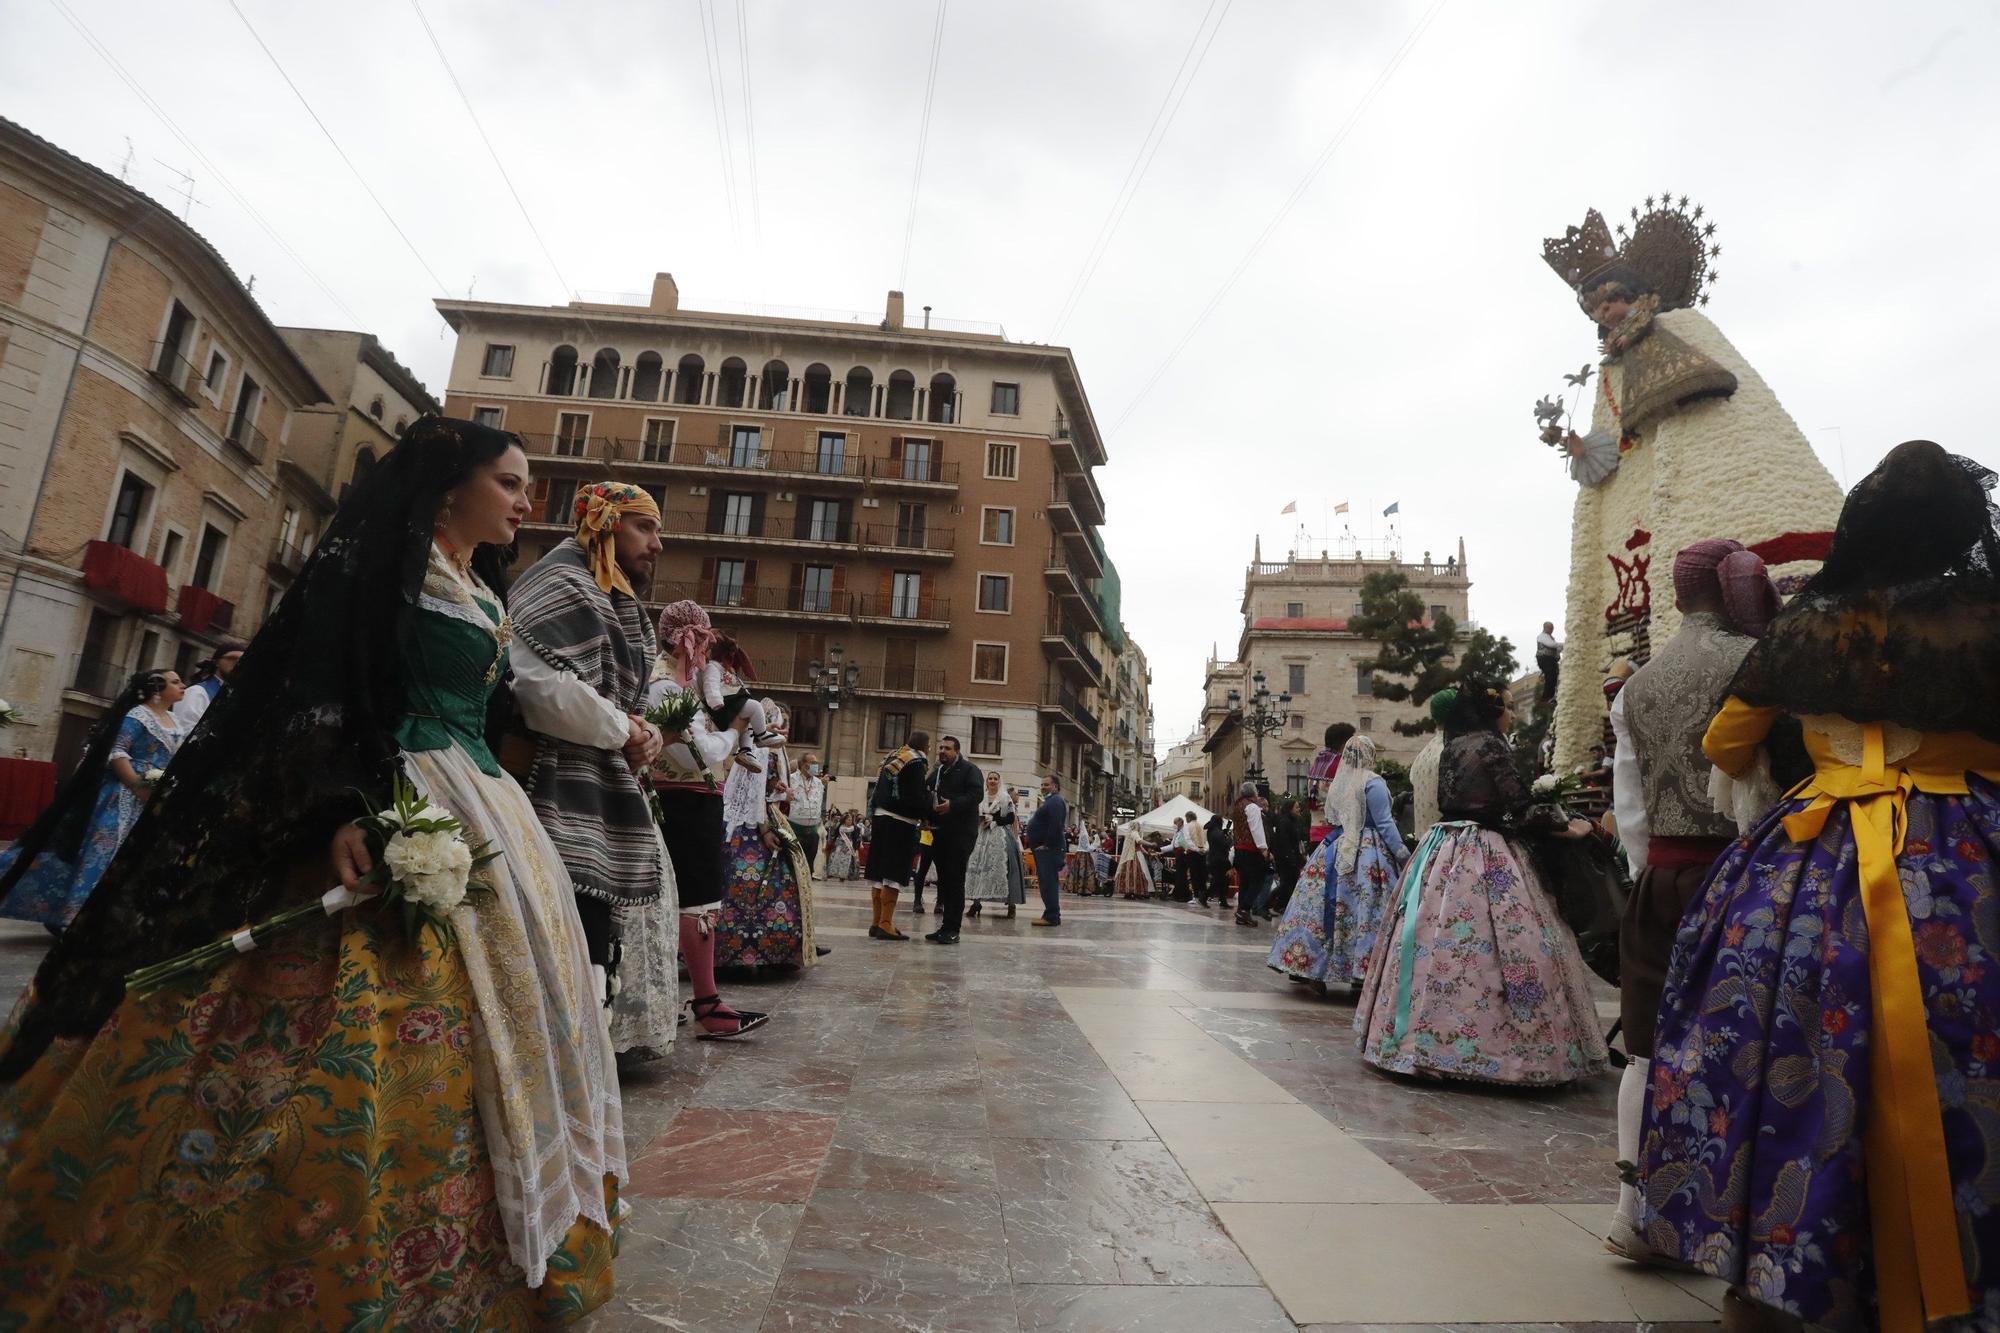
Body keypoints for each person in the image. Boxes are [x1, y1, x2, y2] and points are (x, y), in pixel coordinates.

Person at [0, 416, 624, 1327]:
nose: (529, 501)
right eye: (511, 481)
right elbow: (320, 684)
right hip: (396, 784)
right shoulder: (387, 571)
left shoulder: (483, 590)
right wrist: (341, 804)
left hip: (484, 800)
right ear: (451, 485)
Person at [1637, 442, 2000, 1333]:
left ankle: (1780, 1265)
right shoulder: (1991, 619)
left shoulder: (1807, 627)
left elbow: (1726, 741)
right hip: (1966, 858)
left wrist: (1823, 754)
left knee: (1774, 1047)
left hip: (1811, 857)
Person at [1541, 197, 1843, 772]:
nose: (1606, 313)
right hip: (1631, 513)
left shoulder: (1681, 327)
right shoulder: (1610, 366)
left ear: (1637, 291)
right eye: (1595, 307)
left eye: (1613, 299)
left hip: (1690, 482)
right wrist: (1584, 450)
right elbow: (1613, 441)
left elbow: (1704, 392)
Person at [1601, 538, 1776, 1265]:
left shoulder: (1636, 685)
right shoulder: (1756, 662)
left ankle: (1632, 1210)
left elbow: (1629, 800)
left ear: (1676, 595)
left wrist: (1651, 872)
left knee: (1645, 1042)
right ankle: (1733, 1212)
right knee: (1747, 1043)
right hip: (1743, 874)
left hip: (1663, 877)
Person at [1354, 682, 1608, 1085]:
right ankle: (1502, 1053)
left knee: (1433, 944)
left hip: (1444, 847)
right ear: (1491, 711)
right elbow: (1518, 808)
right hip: (1484, 852)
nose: (1512, 715)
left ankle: (1426, 1041)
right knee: (1508, 947)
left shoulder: (1451, 746)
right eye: (1507, 707)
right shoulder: (1491, 746)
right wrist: (1569, 826)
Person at [508, 480, 682, 1057]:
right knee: (557, 931)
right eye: (645, 527)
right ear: (604, 525)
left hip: (600, 780)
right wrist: (622, 729)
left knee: (592, 935)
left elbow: (628, 701)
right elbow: (536, 687)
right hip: (544, 785)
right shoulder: (560, 582)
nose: (658, 544)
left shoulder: (617, 597)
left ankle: (581, 1053)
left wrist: (648, 731)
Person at [647, 600, 768, 1040]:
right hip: (684, 800)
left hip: (694, 800)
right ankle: (706, 1002)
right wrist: (736, 731)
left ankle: (699, 998)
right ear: (689, 640)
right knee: (695, 901)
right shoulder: (667, 688)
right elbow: (702, 754)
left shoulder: (683, 683)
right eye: (704, 640)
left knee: (695, 899)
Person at [1, 668, 187, 929]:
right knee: (104, 852)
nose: (182, 685)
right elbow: (117, 751)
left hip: (157, 792)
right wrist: (137, 786)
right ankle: (77, 917)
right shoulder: (137, 716)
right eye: (175, 682)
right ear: (157, 688)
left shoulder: (174, 720)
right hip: (125, 792)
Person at [1270, 734, 1407, 994]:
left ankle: (1313, 966)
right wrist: (1403, 854)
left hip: (1336, 846)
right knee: (1367, 907)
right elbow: (1385, 823)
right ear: (1370, 755)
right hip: (1369, 851)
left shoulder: (1339, 783)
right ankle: (1362, 969)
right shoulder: (1373, 783)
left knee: (1320, 904)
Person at [713, 700, 815, 971]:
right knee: (758, 886)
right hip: (758, 823)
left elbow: (763, 785)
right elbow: (755, 791)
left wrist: (778, 787)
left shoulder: (769, 751)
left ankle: (766, 948)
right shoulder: (763, 749)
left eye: (788, 725)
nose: (786, 730)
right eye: (783, 724)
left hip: (760, 817)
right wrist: (766, 829)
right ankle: (757, 949)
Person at [867, 730, 931, 940]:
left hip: (880, 817)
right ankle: (886, 923)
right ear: (925, 746)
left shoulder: (893, 756)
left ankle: (876, 923)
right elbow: (915, 795)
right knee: (893, 873)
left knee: (878, 872)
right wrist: (927, 813)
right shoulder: (916, 762)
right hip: (899, 822)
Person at [924, 735, 983, 944]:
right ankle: (944, 926)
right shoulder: (938, 771)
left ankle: (953, 928)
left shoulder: (970, 770)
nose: (942, 751)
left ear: (956, 751)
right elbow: (927, 791)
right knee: (944, 881)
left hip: (961, 834)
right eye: (940, 747)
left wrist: (953, 805)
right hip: (939, 832)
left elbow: (976, 795)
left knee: (955, 880)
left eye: (947, 748)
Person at [966, 772, 1025, 919]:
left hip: (1000, 835)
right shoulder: (981, 797)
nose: (992, 781)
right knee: (978, 868)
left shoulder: (1005, 798)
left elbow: (1010, 818)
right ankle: (976, 902)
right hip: (981, 836)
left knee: (1006, 868)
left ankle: (1011, 905)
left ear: (999, 781)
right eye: (990, 779)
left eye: (995, 779)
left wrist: (993, 819)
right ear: (986, 781)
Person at [169, 640, 243, 732]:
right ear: (216, 662)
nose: (237, 663)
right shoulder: (197, 692)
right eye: (231, 658)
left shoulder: (236, 694)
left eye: (242, 660)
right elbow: (186, 731)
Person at [1025, 773, 1068, 927]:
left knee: (1048, 882)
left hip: (1048, 850)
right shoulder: (1050, 801)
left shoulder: (1056, 801)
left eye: (1046, 785)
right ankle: (1051, 914)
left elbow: (1056, 824)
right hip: (1044, 849)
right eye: (1042, 785)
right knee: (1046, 882)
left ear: (1055, 787)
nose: (1043, 787)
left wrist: (1047, 844)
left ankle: (1051, 916)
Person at [1231, 782, 1270, 927]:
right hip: (1251, 850)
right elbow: (1256, 828)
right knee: (1258, 881)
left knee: (1245, 882)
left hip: (1239, 849)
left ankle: (1242, 913)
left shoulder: (1237, 805)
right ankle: (1245, 909)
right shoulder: (1252, 807)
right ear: (1254, 793)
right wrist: (1263, 848)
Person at [788, 750, 829, 871]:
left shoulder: (818, 783)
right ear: (804, 765)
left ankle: (806, 889)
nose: (816, 765)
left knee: (809, 867)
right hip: (795, 830)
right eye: (813, 763)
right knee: (793, 866)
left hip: (812, 831)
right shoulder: (790, 779)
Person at [1267, 796, 1306, 918]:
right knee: (1286, 883)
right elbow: (1284, 842)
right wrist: (1291, 858)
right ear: (1289, 809)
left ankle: (1280, 905)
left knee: (1290, 883)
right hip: (1286, 859)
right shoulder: (1284, 822)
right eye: (1296, 807)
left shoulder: (1294, 822)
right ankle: (1268, 903)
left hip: (1292, 857)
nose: (1299, 809)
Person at [1204, 810, 1232, 909]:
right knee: (1219, 881)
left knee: (1221, 881)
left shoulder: (1211, 831)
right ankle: (1204, 896)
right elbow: (1224, 845)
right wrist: (1229, 839)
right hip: (1219, 859)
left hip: (1214, 858)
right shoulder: (1217, 832)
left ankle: (1223, 900)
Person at [827, 810, 859, 881]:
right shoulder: (840, 827)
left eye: (851, 820)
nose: (850, 821)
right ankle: (833, 873)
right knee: (837, 859)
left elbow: (855, 839)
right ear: (845, 820)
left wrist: (855, 848)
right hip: (839, 846)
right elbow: (834, 836)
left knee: (846, 861)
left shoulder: (854, 828)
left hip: (848, 847)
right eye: (848, 820)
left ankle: (844, 876)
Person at [1535, 621, 1562, 703]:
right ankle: (1546, 697)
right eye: (1550, 628)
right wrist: (1564, 644)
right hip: (1545, 659)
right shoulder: (1542, 636)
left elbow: (1556, 648)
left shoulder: (1550, 637)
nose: (1551, 630)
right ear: (1545, 627)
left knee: (1553, 676)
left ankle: (1551, 696)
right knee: (1550, 675)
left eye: (1552, 628)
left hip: (1550, 659)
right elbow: (1552, 645)